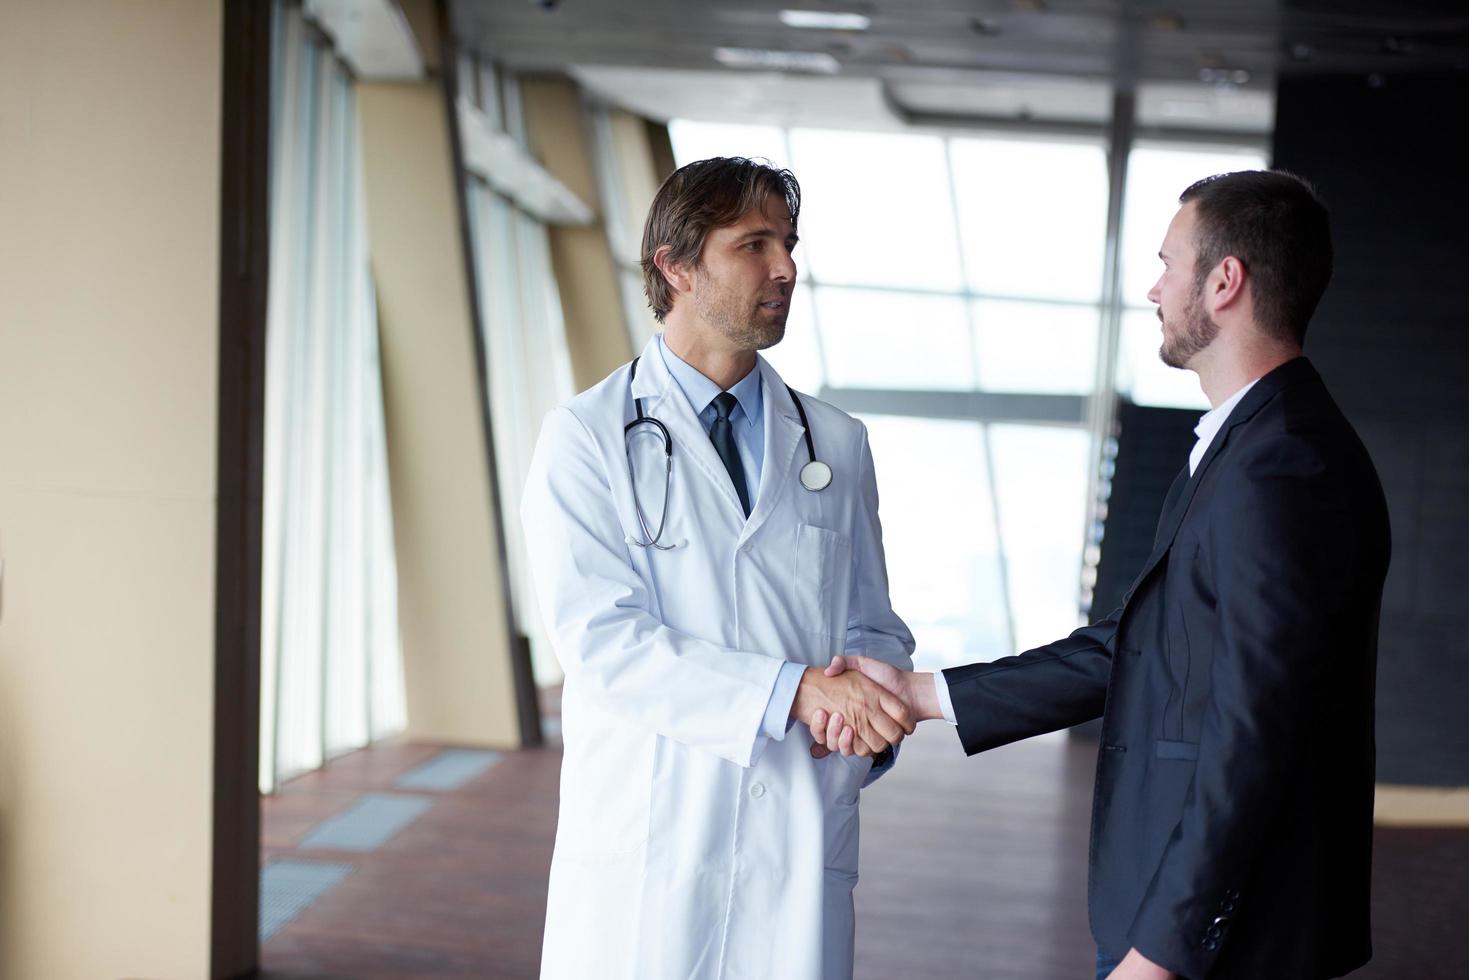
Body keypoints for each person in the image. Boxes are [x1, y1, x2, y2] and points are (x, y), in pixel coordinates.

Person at [817, 170, 1391, 980]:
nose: (1154, 287)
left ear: (1224, 282)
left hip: (1222, 943)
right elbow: (1138, 645)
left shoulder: (1282, 462)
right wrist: (915, 695)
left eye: (1169, 262)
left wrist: (1163, 950)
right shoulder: (1246, 445)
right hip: (1187, 923)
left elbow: (1257, 731)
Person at [521, 156, 916, 980]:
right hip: (650, 834)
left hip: (796, 832)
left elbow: (871, 623)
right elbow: (601, 642)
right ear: (676, 266)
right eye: (753, 245)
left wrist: (863, 717)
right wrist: (798, 692)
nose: (786, 269)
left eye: (789, 244)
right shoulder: (587, 437)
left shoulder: (835, 444)